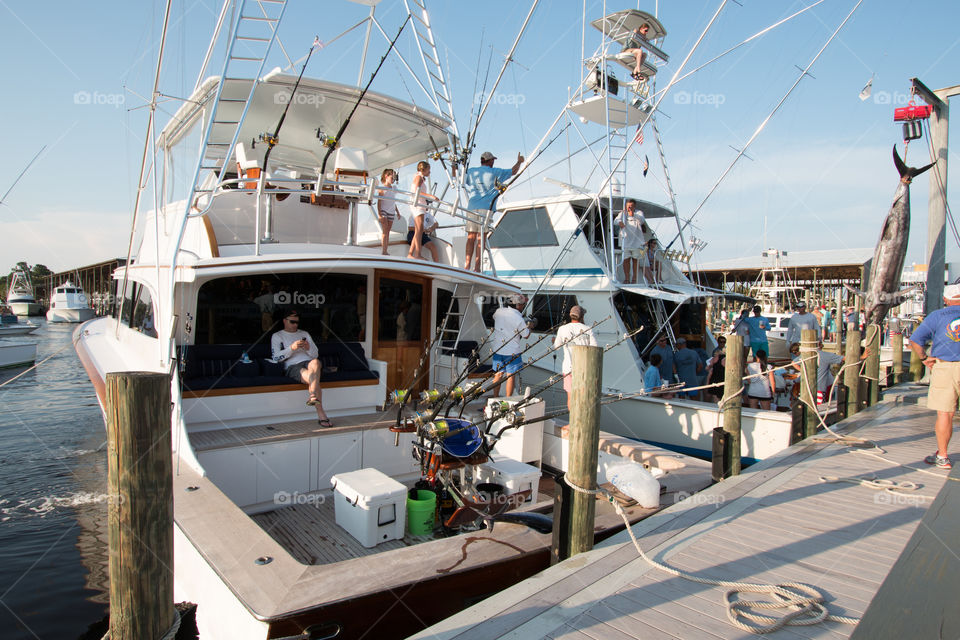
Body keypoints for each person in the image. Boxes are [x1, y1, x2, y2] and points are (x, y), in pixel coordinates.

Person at [907, 284, 960, 470]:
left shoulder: (938, 315)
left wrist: (924, 358)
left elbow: (915, 339)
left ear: (946, 300)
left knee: (945, 413)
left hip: (945, 367)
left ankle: (943, 456)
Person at [463, 151, 523, 272]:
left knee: (471, 237)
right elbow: (513, 171)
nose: (493, 162)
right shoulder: (495, 172)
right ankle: (476, 268)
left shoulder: (472, 171)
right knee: (481, 238)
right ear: (489, 161)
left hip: (472, 206)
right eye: (493, 160)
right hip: (486, 208)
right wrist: (519, 161)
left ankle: (466, 266)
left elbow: (461, 178)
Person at [271, 309, 332, 427]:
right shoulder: (277, 336)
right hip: (293, 366)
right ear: (284, 321)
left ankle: (313, 396)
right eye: (292, 322)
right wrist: (291, 348)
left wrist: (308, 347)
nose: (295, 325)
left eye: (297, 322)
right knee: (314, 378)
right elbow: (276, 358)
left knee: (315, 362)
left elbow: (315, 354)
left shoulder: (304, 334)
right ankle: (321, 413)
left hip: (309, 363)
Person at [554, 305, 598, 409]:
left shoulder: (562, 329)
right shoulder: (588, 329)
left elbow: (556, 347)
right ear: (582, 317)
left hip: (568, 368)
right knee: (582, 396)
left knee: (570, 396)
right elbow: (595, 348)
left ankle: (572, 423)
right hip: (584, 369)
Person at [491, 295, 533, 397]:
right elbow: (526, 335)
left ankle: (495, 397)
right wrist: (530, 326)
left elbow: (495, 318)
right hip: (512, 352)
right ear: (518, 305)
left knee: (498, 374)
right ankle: (508, 399)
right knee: (511, 376)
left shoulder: (498, 311)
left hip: (498, 350)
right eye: (523, 304)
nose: (523, 306)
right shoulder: (518, 318)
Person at [407, 160, 438, 260]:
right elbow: (417, 191)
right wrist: (431, 196)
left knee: (418, 230)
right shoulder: (419, 177)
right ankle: (417, 254)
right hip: (418, 207)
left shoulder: (419, 177)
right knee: (419, 230)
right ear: (424, 169)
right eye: (429, 170)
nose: (430, 172)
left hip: (419, 206)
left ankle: (412, 253)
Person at [617, 198, 649, 284]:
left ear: (634, 206)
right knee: (626, 260)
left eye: (631, 206)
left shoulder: (639, 213)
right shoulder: (622, 213)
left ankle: (634, 278)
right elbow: (616, 220)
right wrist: (619, 222)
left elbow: (642, 220)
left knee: (635, 260)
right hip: (625, 241)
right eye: (628, 206)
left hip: (637, 242)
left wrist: (633, 214)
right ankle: (627, 278)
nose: (629, 208)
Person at [376, 168, 401, 255]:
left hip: (391, 211)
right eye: (392, 177)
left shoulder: (394, 188)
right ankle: (384, 250)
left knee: (388, 231)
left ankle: (385, 250)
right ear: (386, 176)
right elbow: (379, 202)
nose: (393, 179)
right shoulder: (382, 188)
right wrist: (379, 215)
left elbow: (393, 201)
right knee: (385, 230)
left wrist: (397, 212)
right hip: (384, 211)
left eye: (394, 178)